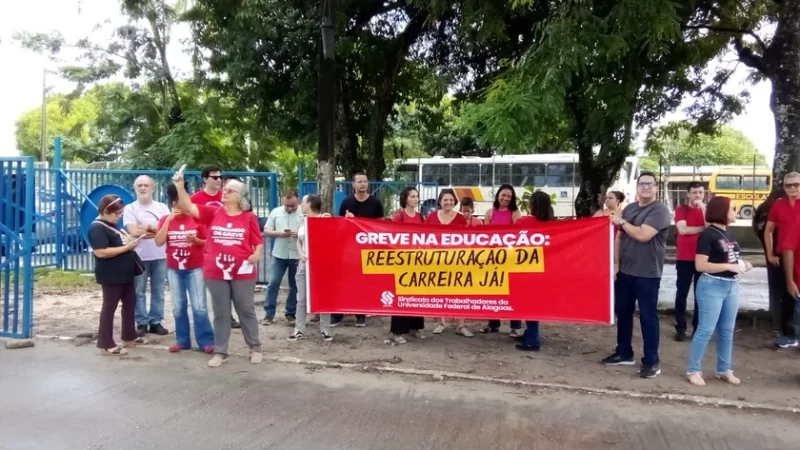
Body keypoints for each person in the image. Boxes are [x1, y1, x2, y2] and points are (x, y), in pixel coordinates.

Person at [172, 171, 264, 368]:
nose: (224, 191)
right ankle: (220, 351)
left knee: (245, 309)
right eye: (225, 188)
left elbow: (257, 241)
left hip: (242, 271)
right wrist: (180, 186)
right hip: (216, 271)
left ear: (239, 197)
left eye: (230, 190)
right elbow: (189, 206)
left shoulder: (249, 218)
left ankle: (255, 348)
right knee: (221, 312)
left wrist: (256, 255)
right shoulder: (214, 212)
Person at [603, 171, 671, 379]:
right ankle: (624, 352)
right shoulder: (631, 208)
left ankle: (651, 361)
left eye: (650, 184)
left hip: (648, 274)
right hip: (626, 271)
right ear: (637, 187)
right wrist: (616, 264)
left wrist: (621, 221)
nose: (645, 188)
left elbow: (642, 235)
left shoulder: (659, 211)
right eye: (642, 184)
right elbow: (619, 239)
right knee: (622, 312)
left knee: (648, 317)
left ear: (656, 188)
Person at [687, 196, 751, 386]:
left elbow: (731, 261)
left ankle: (724, 369)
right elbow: (700, 265)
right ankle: (693, 369)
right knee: (705, 329)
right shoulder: (708, 235)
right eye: (732, 208)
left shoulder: (729, 235)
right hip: (712, 285)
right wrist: (729, 267)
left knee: (727, 330)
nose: (735, 211)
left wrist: (743, 265)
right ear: (722, 211)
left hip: (730, 285)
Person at [155, 184, 214, 354]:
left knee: (199, 306)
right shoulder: (165, 219)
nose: (183, 206)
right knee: (178, 306)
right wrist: (168, 220)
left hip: (195, 267)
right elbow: (159, 241)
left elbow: (208, 242)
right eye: (179, 203)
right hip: (174, 268)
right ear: (173, 204)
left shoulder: (196, 219)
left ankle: (206, 341)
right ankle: (182, 340)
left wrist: (196, 241)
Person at [88, 195, 143, 356]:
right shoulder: (97, 228)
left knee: (130, 303)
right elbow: (101, 252)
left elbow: (119, 243)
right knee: (109, 307)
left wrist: (131, 242)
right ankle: (105, 343)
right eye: (117, 213)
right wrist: (126, 249)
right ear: (106, 211)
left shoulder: (112, 225)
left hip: (124, 272)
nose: (119, 216)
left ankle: (129, 335)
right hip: (111, 273)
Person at [333, 173, 384, 327]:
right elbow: (340, 225)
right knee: (343, 280)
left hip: (367, 249)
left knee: (361, 283)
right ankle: (338, 314)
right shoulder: (347, 202)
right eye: (359, 181)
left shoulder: (376, 203)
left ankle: (360, 314)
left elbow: (380, 227)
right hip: (349, 249)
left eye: (365, 181)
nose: (363, 184)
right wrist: (348, 221)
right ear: (353, 185)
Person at [191, 166, 239, 329]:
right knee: (201, 289)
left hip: (222, 247)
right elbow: (192, 220)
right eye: (215, 177)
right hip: (200, 246)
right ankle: (204, 321)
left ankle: (228, 316)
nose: (219, 180)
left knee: (226, 283)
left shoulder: (225, 196)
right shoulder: (196, 198)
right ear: (205, 179)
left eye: (220, 177)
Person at [122, 175, 170, 336]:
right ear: (135, 188)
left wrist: (146, 227)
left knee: (158, 290)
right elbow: (133, 231)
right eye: (139, 186)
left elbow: (168, 230)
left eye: (146, 185)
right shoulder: (130, 208)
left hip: (160, 254)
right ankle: (141, 322)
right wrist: (157, 230)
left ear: (153, 188)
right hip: (138, 256)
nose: (143, 188)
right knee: (139, 291)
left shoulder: (162, 208)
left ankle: (156, 321)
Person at [288, 194, 334, 342]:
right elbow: (299, 241)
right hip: (304, 263)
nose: (301, 203)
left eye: (303, 201)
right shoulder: (303, 220)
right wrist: (301, 253)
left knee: (324, 297)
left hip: (322, 265)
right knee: (301, 298)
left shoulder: (324, 219)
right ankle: (299, 329)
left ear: (309, 203)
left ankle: (325, 330)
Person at [427, 189, 473, 337]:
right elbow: (423, 236)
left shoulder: (460, 218)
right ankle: (440, 322)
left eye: (451, 200)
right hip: (435, 261)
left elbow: (465, 239)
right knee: (438, 291)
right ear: (440, 201)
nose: (448, 202)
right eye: (445, 200)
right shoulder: (431, 217)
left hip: (456, 261)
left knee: (459, 292)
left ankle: (461, 325)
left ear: (455, 202)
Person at [764, 172, 800, 348]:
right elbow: (768, 231)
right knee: (785, 297)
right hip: (782, 257)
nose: (792, 188)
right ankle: (788, 334)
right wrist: (770, 254)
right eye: (788, 185)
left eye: (796, 184)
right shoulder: (778, 205)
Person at [514, 190, 552, 351]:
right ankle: (531, 333)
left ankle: (533, 339)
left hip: (525, 269)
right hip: (543, 270)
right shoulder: (551, 224)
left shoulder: (523, 222)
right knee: (534, 303)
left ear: (532, 205)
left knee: (529, 304)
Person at [482, 184, 522, 336]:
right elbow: (484, 236)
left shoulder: (515, 213)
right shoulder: (489, 212)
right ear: (498, 195)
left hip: (510, 258)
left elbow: (518, 236)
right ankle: (493, 324)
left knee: (513, 293)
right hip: (492, 258)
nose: (505, 198)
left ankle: (515, 326)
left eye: (508, 196)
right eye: (503, 195)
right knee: (494, 291)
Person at [389, 187, 426, 344]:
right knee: (402, 296)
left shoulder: (421, 217)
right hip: (403, 262)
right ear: (405, 199)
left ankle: (415, 327)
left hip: (418, 261)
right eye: (412, 196)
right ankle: (397, 331)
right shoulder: (399, 216)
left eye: (417, 196)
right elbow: (393, 236)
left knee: (417, 295)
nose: (416, 199)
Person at [673, 182, 707, 341]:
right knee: (682, 293)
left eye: (700, 192)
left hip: (703, 258)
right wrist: (702, 228)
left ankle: (697, 328)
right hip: (685, 258)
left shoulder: (705, 210)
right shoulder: (681, 210)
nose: (698, 196)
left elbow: (712, 225)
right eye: (694, 192)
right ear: (688, 194)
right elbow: (683, 230)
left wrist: (704, 208)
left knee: (700, 295)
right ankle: (680, 327)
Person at [262, 190, 301, 326]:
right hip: (279, 254)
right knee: (273, 283)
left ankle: (291, 313)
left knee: (295, 285)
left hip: (297, 254)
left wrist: (300, 234)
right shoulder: (276, 212)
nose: (290, 208)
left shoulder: (304, 213)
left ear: (298, 201)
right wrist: (279, 233)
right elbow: (266, 230)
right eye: (287, 206)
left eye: (293, 206)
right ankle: (269, 314)